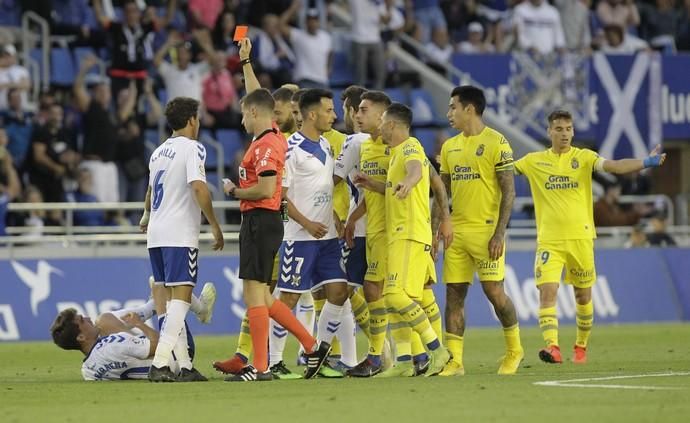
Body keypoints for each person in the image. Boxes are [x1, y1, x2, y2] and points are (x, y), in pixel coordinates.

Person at [514, 109, 666, 365]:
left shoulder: (583, 158)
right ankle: (553, 347)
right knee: (547, 292)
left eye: (568, 129)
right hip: (549, 241)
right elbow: (503, 170)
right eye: (559, 129)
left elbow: (615, 166)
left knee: (583, 296)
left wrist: (645, 162)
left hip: (581, 239)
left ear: (573, 131)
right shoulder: (532, 161)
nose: (564, 134)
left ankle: (580, 348)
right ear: (550, 131)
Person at [220, 39, 330, 382]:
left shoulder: (268, 143)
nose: (241, 118)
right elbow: (259, 99)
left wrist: (234, 190)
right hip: (265, 221)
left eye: (243, 112)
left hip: (262, 219)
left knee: (255, 293)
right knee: (262, 295)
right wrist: (246, 62)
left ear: (255, 114)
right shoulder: (272, 135)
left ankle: (262, 366)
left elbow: (268, 189)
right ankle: (312, 345)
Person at [439, 85, 524, 376]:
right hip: (457, 233)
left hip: (487, 232)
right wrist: (437, 225)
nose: (449, 113)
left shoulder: (497, 143)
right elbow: (442, 192)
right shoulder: (449, 147)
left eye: (453, 107)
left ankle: (514, 350)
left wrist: (500, 233)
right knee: (453, 295)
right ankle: (455, 360)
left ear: (469, 109)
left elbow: (509, 192)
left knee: (495, 293)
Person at [140, 96, 224, 382]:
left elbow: (150, 191)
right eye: (197, 118)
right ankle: (161, 363)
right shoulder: (193, 148)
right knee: (182, 298)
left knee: (174, 298)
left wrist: (145, 216)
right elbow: (199, 188)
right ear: (191, 121)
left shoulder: (158, 151)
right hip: (179, 232)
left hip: (157, 234)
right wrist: (214, 224)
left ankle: (185, 367)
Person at [268, 88, 351, 378]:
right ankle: (274, 361)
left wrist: (336, 217)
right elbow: (279, 200)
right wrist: (305, 223)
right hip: (300, 239)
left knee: (339, 292)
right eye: (329, 110)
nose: (335, 115)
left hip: (327, 238)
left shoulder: (327, 145)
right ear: (312, 114)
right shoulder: (290, 149)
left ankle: (320, 353)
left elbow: (323, 189)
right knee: (288, 299)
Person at [374, 102, 449, 377]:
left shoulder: (410, 146)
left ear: (392, 125)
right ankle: (405, 361)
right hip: (399, 234)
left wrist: (409, 181)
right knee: (396, 300)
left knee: (395, 295)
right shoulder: (394, 153)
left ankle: (437, 349)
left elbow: (417, 170)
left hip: (409, 234)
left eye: (383, 120)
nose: (380, 126)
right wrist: (372, 184)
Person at [50, 280, 218, 381]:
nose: (87, 318)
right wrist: (139, 324)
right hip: (177, 356)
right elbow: (159, 346)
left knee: (104, 320)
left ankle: (151, 305)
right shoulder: (114, 344)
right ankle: (202, 309)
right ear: (80, 336)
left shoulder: (88, 370)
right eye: (81, 321)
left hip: (147, 361)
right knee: (167, 283)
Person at [279, 2, 332, 88]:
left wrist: (329, 68)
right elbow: (280, 25)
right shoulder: (299, 35)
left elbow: (330, 53)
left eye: (315, 20)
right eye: (310, 20)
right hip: (304, 79)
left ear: (318, 21)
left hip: (322, 81)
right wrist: (292, 9)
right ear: (306, 22)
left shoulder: (326, 37)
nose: (312, 23)